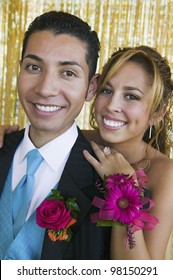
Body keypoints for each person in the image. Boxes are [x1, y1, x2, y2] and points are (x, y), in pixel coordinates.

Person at [0, 10, 111, 260]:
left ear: (91, 87)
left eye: (68, 73)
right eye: (34, 67)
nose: (45, 88)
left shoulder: (108, 188)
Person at [82, 46, 173, 259]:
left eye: (131, 96)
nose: (112, 105)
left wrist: (124, 187)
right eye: (107, 90)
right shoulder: (75, 141)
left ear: (158, 112)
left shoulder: (165, 173)